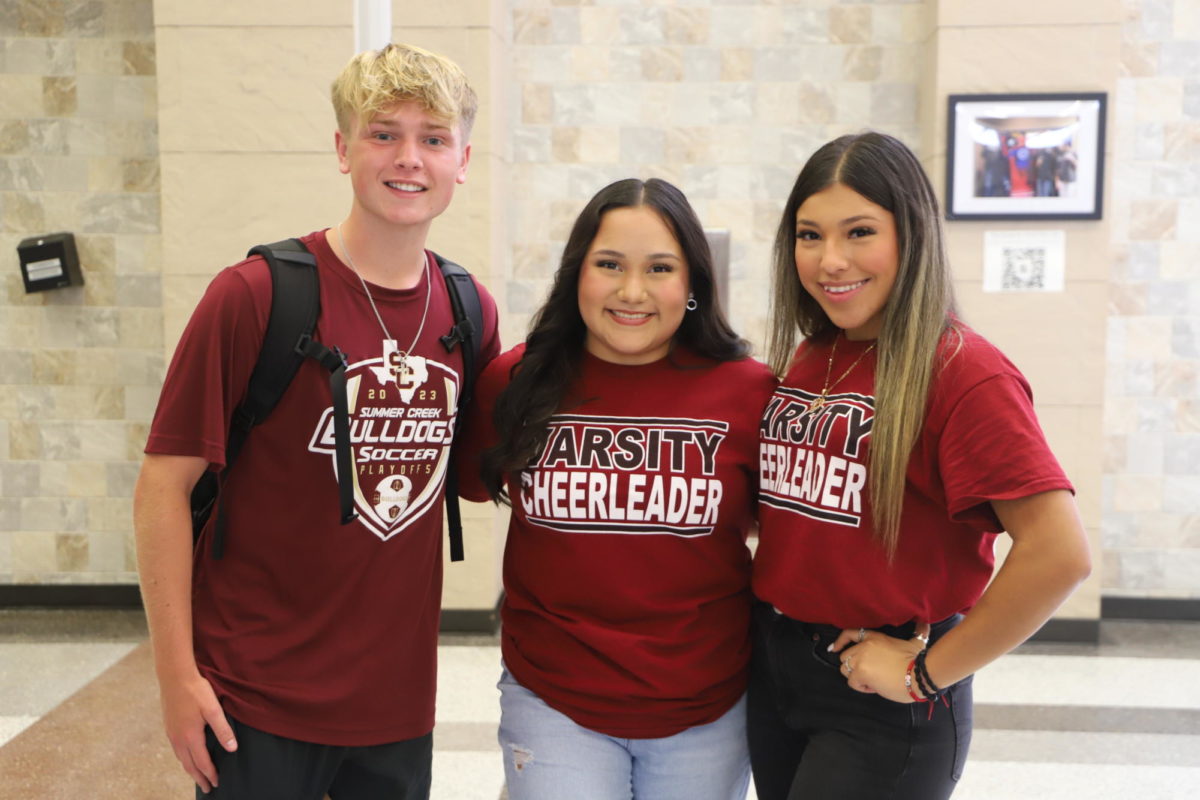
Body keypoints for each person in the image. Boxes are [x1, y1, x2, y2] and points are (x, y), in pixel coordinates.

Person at [133, 43, 499, 798]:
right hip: (254, 696)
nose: (409, 158)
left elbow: (478, 476)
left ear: (462, 159)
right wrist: (175, 677)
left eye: (433, 138)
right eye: (383, 133)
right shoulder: (255, 296)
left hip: (397, 707)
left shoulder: (468, 309)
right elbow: (162, 490)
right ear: (342, 149)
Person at [750, 131, 1091, 799]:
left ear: (911, 235)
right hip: (776, 666)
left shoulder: (964, 372)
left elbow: (1060, 554)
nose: (830, 259)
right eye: (809, 235)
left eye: (859, 232)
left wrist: (926, 674)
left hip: (883, 698)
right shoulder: (814, 354)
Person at [456, 178, 776, 799]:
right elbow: (469, 483)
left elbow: (790, 530)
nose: (633, 292)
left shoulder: (750, 391)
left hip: (706, 702)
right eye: (609, 265)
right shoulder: (515, 381)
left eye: (660, 268)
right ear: (578, 274)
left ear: (692, 285)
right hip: (552, 697)